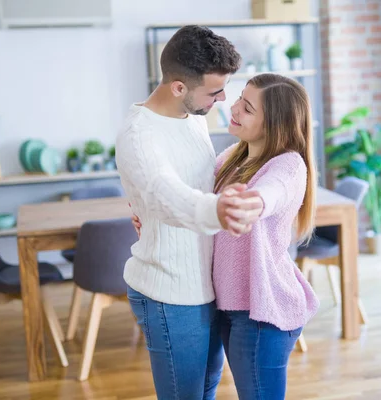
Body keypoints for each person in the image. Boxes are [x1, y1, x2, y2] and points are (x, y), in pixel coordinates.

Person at [133, 73, 320, 399]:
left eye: (247, 108)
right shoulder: (232, 157)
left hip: (262, 311)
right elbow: (194, 203)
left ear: (274, 124)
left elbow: (270, 193)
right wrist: (157, 217)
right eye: (239, 99)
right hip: (229, 305)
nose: (233, 107)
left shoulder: (288, 165)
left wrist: (252, 204)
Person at [115, 25, 264, 400]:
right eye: (214, 91)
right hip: (170, 292)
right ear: (178, 87)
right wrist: (219, 209)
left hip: (205, 284)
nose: (223, 99)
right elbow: (167, 193)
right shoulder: (139, 135)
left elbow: (196, 181)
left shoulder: (196, 117)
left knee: (206, 390)